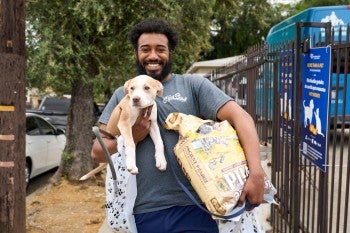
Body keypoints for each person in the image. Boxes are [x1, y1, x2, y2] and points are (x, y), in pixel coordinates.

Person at [91, 18, 265, 233]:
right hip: (145, 211)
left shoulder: (193, 86)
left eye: (160, 49)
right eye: (145, 49)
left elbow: (242, 119)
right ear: (137, 53)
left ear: (170, 53)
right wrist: (132, 138)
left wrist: (256, 174)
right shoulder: (124, 95)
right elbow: (97, 152)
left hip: (196, 207)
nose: (153, 55)